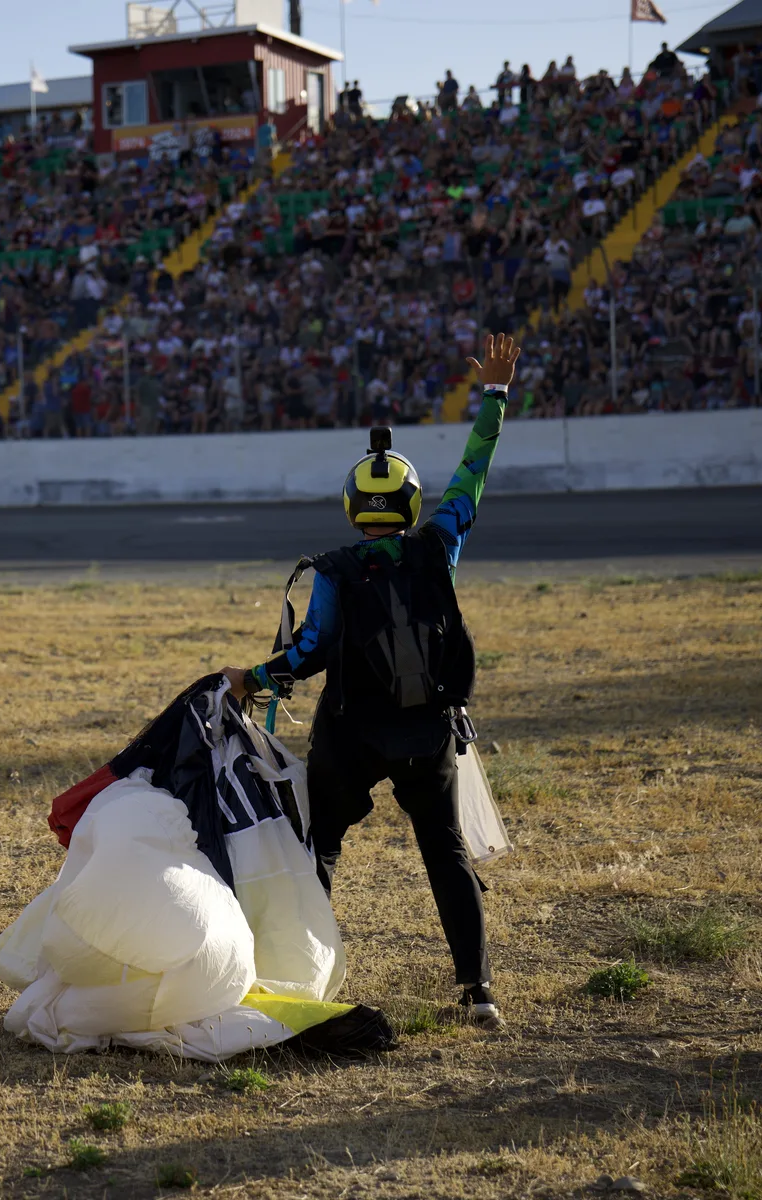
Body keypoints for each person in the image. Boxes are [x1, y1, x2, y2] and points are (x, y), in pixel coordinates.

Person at [221, 332, 522, 1032]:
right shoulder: (438, 547)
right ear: (411, 504)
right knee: (445, 851)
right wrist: (495, 395)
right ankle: (478, 991)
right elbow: (473, 473)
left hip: (350, 735)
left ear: (354, 505)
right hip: (427, 732)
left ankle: (295, 981)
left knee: (319, 846)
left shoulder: (335, 570)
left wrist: (251, 677)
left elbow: (307, 653)